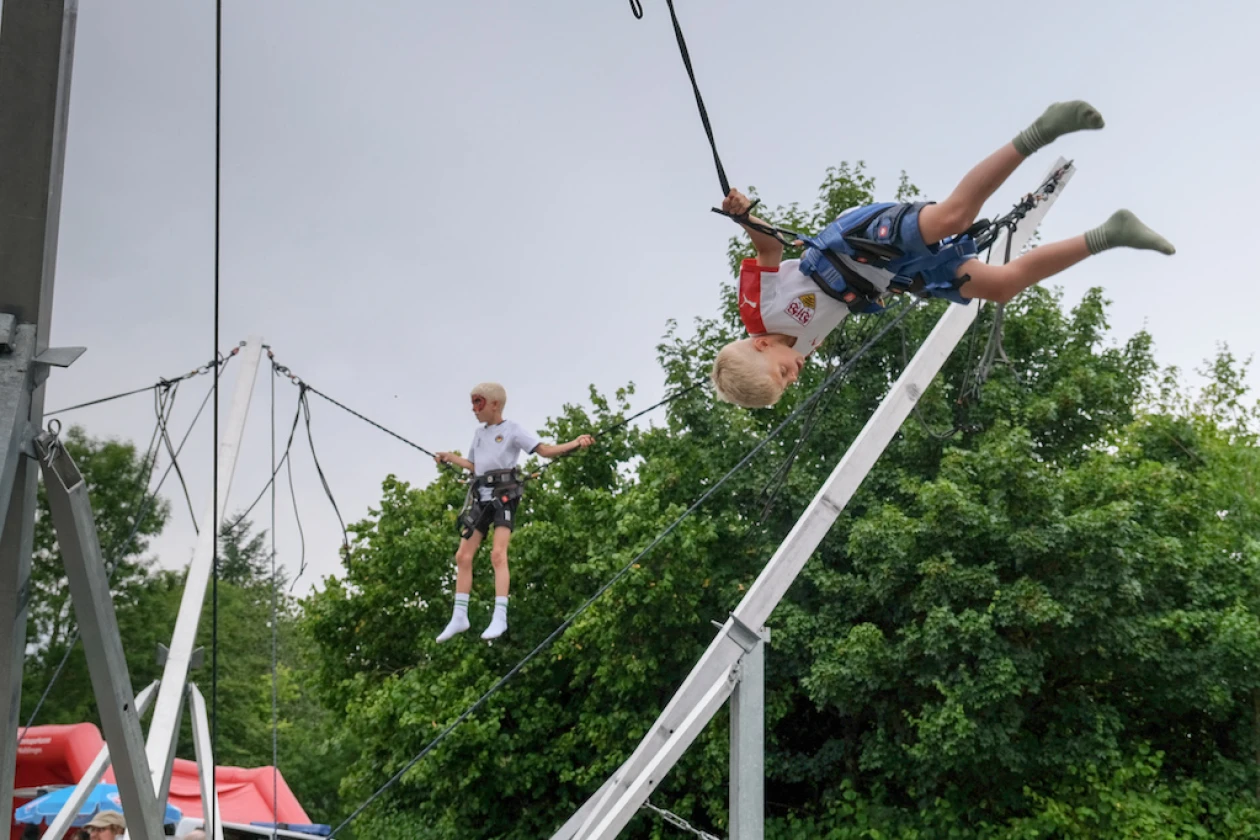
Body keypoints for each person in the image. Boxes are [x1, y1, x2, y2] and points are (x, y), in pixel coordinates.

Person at [711, 100, 1175, 408]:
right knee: (1001, 286)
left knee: (954, 216)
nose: (794, 378)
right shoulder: (802, 349)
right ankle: (1112, 233)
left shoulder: (758, 311)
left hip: (854, 243)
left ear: (761, 344)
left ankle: (1041, 130)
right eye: (787, 385)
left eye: (781, 374)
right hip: (887, 276)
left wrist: (745, 215)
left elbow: (769, 247)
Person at [433, 382, 594, 642]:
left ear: (494, 404)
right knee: (463, 556)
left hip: (504, 497)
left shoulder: (512, 430)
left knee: (498, 554)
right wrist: (450, 458)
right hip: (481, 497)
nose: (473, 408)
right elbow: (474, 466)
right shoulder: (479, 434)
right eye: (473, 403)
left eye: (478, 402)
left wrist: (575, 443)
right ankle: (459, 616)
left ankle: (500, 616)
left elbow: (544, 450)